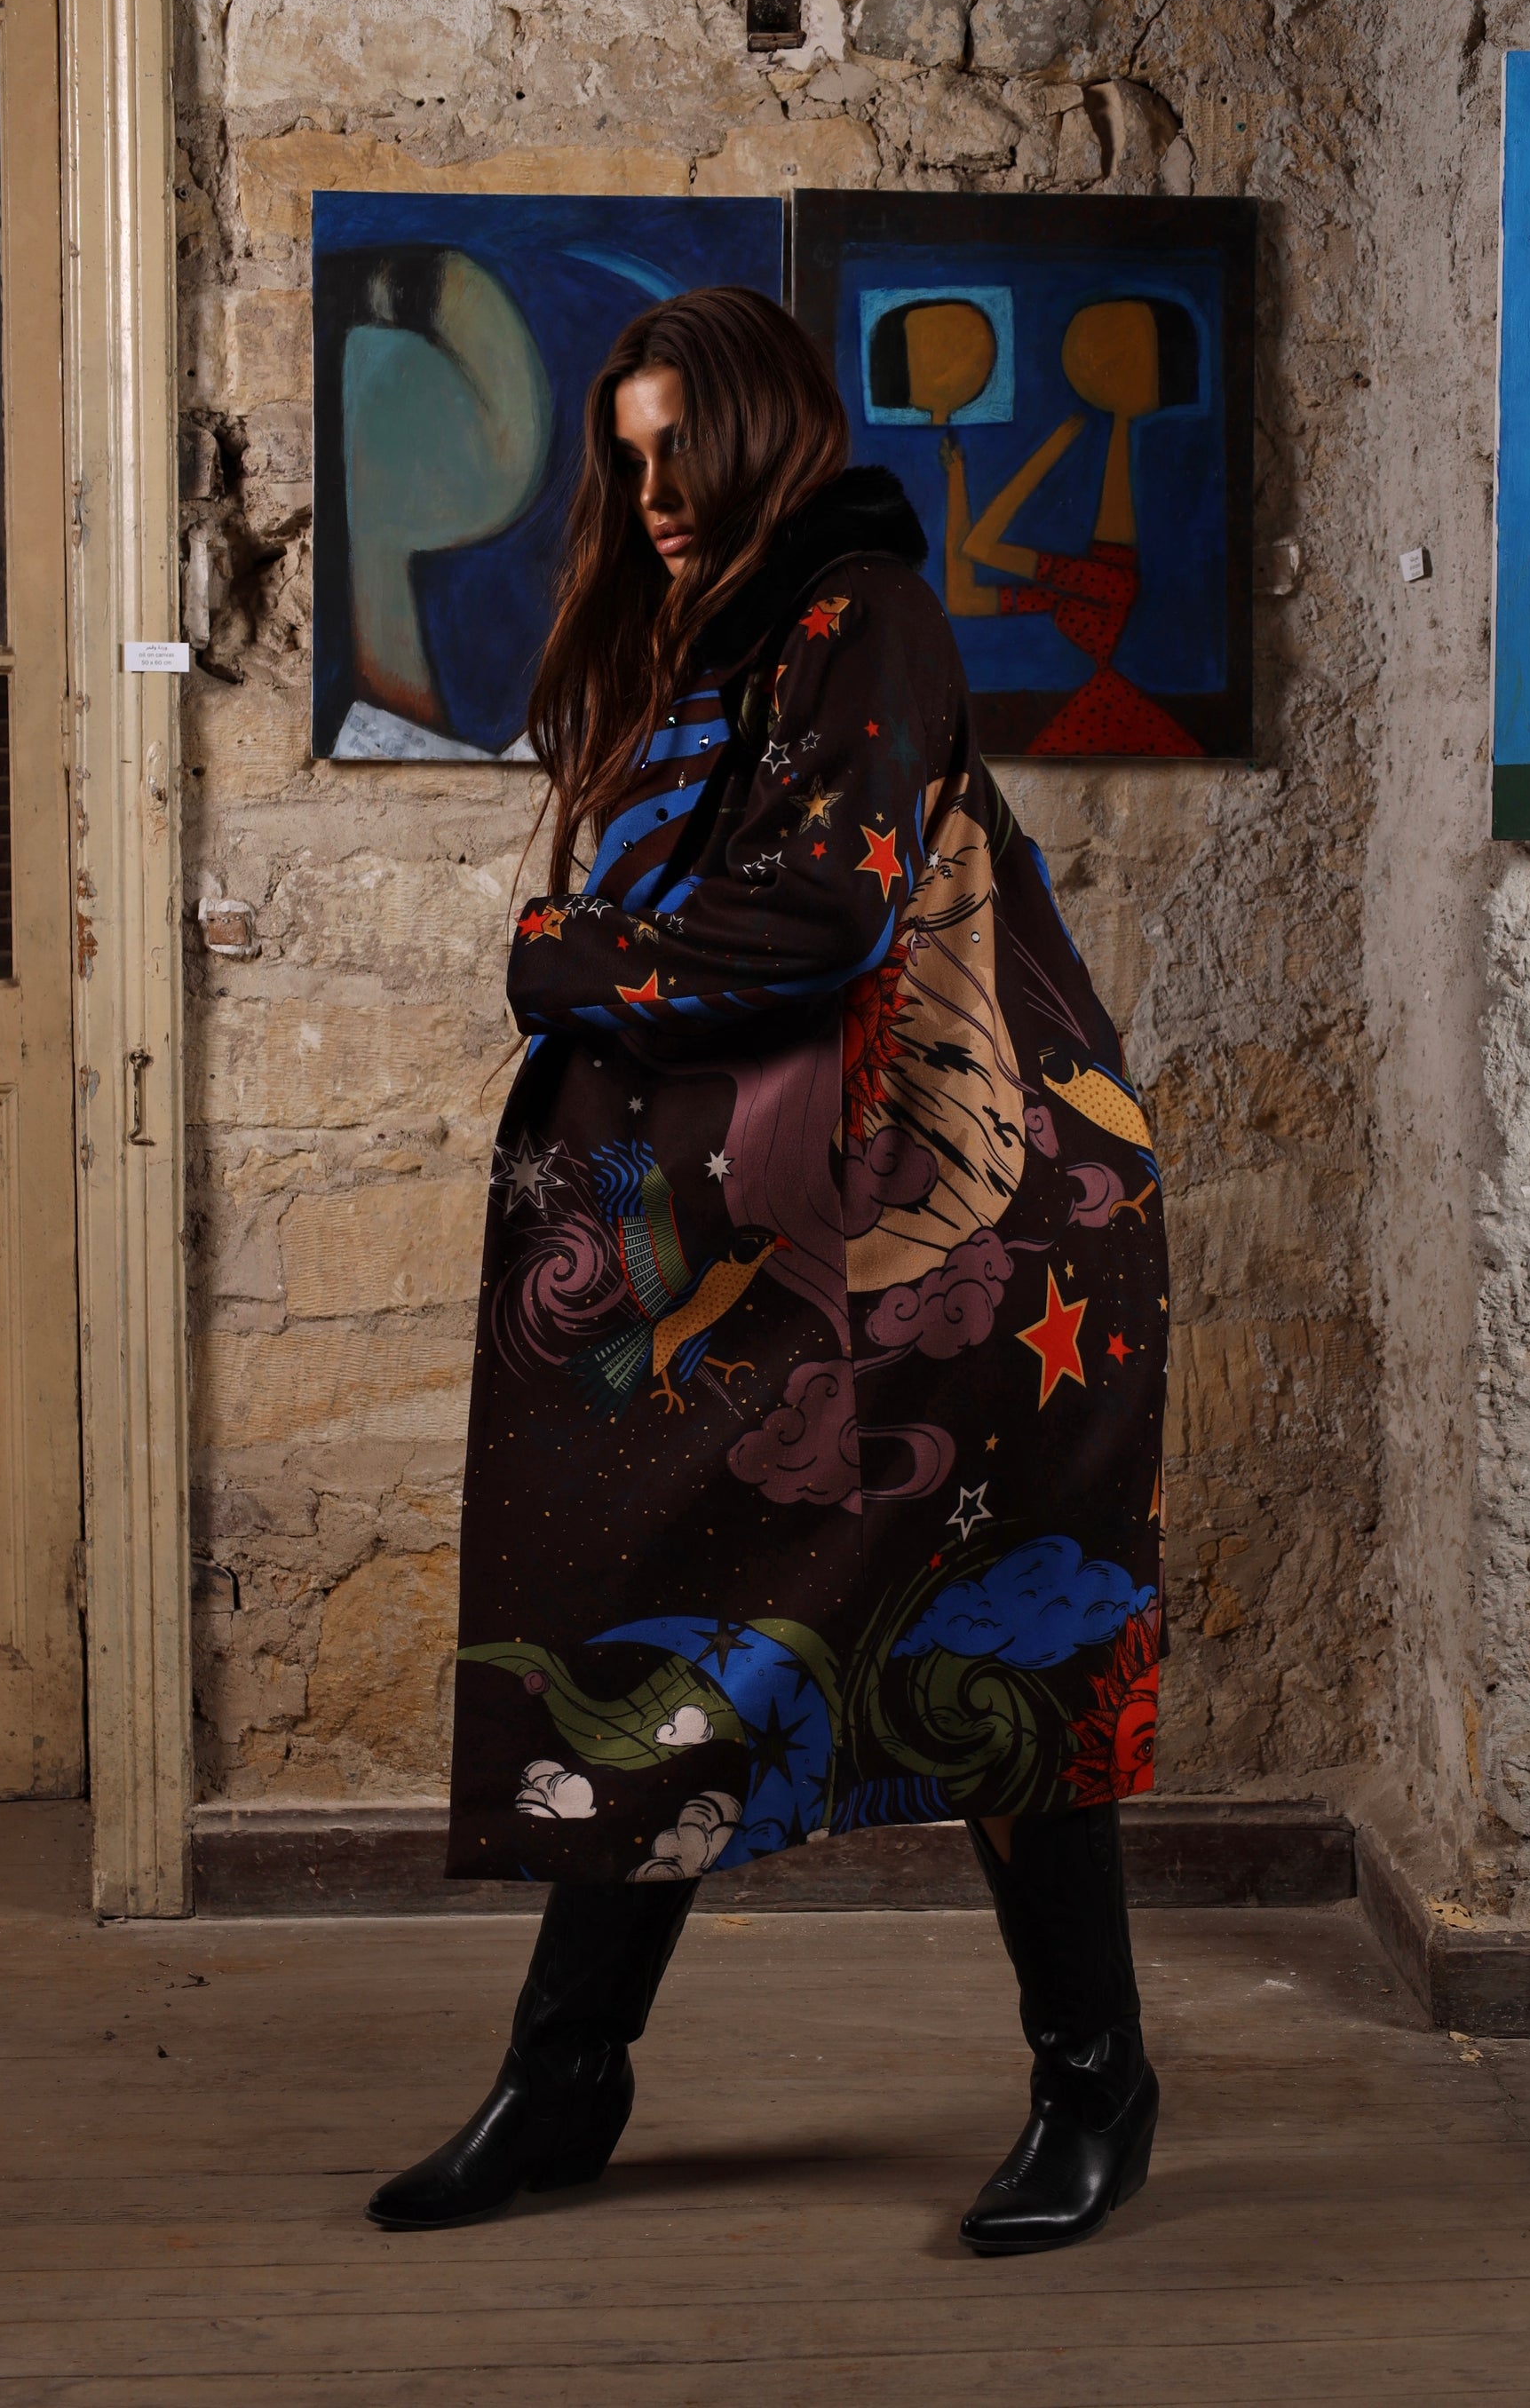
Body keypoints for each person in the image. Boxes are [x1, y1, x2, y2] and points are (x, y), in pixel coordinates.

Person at [366, 287, 1169, 2255]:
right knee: (668, 1620)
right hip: (794, 1233)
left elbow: (822, 910)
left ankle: (1094, 2078)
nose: (652, 491)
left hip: (957, 1232)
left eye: (682, 450)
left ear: (767, 436)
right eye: (626, 455)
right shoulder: (713, 643)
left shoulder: (857, 612)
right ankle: (565, 2075)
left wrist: (557, 956)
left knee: (1004, 1644)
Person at [940, 296, 1205, 758]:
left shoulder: (1102, 585)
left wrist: (1052, 449)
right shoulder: (1076, 596)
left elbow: (980, 546)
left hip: (1103, 721)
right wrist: (957, 477)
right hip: (1082, 718)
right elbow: (962, 597)